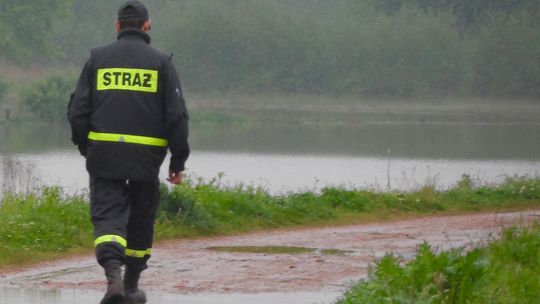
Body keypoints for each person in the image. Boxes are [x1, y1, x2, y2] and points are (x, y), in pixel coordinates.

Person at [67, 1, 190, 303]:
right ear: (147, 25)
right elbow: (177, 116)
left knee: (108, 217)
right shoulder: (162, 63)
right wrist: (178, 160)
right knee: (140, 219)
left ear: (117, 26)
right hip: (146, 161)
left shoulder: (98, 59)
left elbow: (78, 110)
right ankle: (132, 286)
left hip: (104, 157)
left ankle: (114, 280)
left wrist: (86, 146)